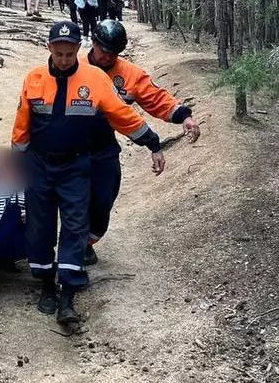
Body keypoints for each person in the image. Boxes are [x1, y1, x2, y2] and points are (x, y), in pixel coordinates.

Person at [12, 21, 166, 325]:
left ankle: (67, 295)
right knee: (39, 227)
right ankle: (46, 286)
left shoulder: (94, 79)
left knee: (74, 226)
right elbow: (21, 126)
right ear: (49, 49)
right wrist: (18, 165)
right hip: (39, 166)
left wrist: (153, 143)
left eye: (70, 54)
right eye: (59, 53)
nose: (65, 59)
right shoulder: (34, 79)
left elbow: (123, 116)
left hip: (75, 167)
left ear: (78, 51)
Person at [79, 20, 200, 265]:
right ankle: (72, 246)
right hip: (69, 146)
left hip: (103, 147)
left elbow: (156, 99)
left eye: (114, 53)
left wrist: (184, 116)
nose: (107, 57)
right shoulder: (74, 65)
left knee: (103, 199)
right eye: (104, 50)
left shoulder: (129, 75)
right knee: (74, 198)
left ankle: (87, 240)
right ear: (93, 43)